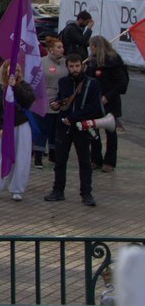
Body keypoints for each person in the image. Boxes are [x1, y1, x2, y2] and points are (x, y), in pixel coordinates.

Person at [45, 54, 102, 206]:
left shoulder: (92, 83)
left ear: (82, 66)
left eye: (77, 66)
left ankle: (86, 193)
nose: (75, 69)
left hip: (81, 127)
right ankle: (58, 190)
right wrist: (55, 104)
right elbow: (62, 100)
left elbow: (94, 107)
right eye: (71, 66)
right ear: (67, 67)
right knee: (60, 160)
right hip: (63, 126)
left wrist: (74, 117)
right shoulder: (63, 82)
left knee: (84, 161)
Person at [0, 62, 35, 201]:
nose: (16, 72)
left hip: (21, 125)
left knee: (21, 157)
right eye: (13, 70)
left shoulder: (24, 86)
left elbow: (28, 101)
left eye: (19, 70)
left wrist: (16, 86)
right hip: (3, 128)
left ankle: (17, 189)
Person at [85, 35, 127, 172]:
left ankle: (110, 161)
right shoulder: (92, 61)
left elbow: (120, 82)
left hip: (110, 101)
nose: (90, 48)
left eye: (92, 46)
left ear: (97, 46)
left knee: (110, 132)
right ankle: (95, 158)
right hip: (94, 101)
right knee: (93, 130)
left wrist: (107, 96)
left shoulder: (113, 60)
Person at [37, 37, 66, 169]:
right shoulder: (42, 62)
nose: (62, 49)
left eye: (62, 47)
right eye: (58, 47)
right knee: (44, 129)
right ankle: (38, 156)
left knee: (56, 130)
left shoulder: (66, 63)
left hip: (60, 101)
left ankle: (53, 155)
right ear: (51, 50)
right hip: (46, 100)